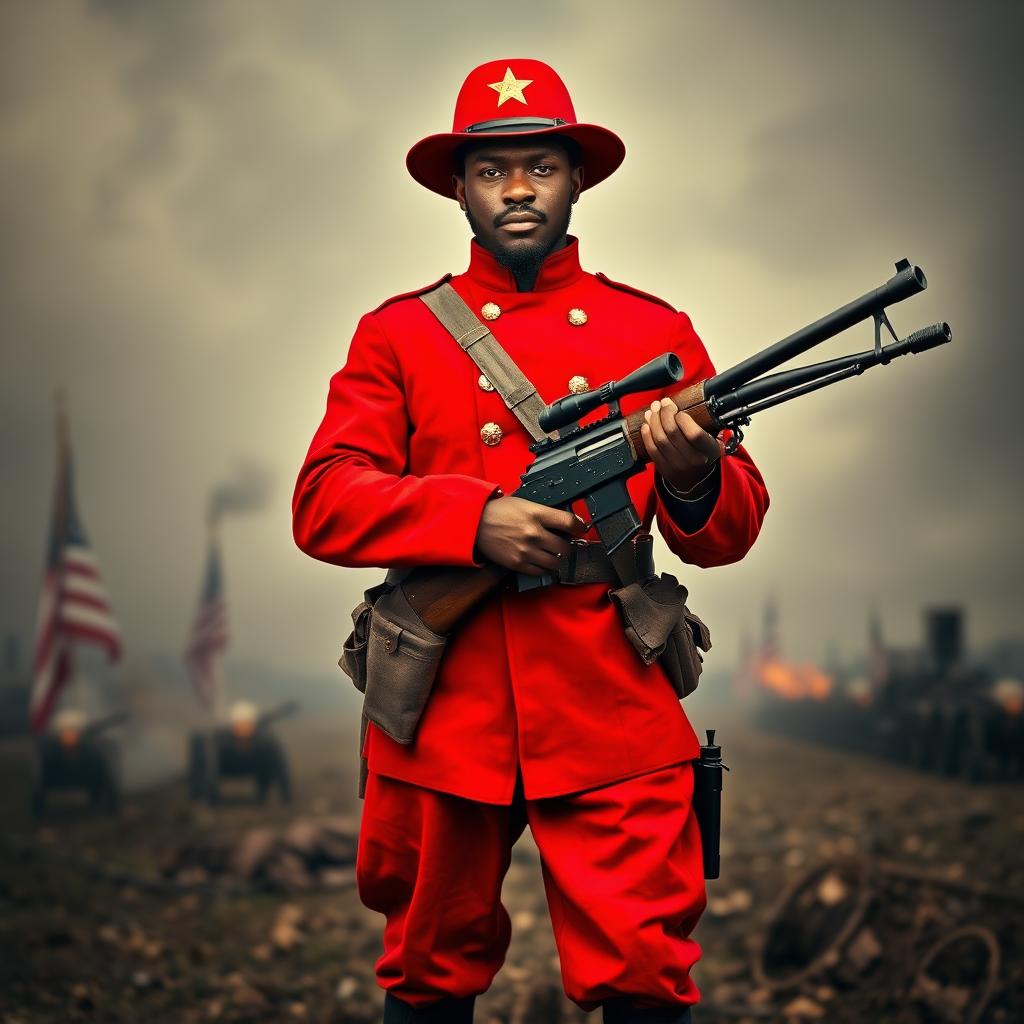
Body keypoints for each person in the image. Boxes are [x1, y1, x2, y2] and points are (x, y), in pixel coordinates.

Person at [292, 59, 769, 1024]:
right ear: (459, 187)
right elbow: (324, 500)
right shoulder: (398, 336)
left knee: (647, 972)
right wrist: (471, 520)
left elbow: (729, 531)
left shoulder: (655, 332)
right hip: (445, 707)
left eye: (541, 165)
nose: (517, 187)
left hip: (612, 701)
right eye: (493, 169)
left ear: (576, 180)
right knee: (426, 972)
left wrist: (691, 474)